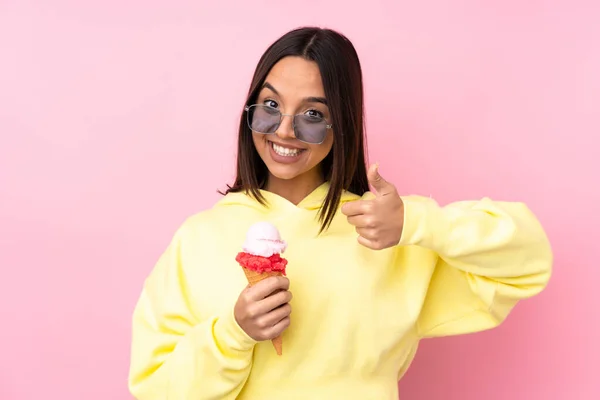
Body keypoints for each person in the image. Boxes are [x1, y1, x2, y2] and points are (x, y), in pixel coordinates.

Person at [127, 27, 553, 400]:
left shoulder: (385, 230)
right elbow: (155, 389)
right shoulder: (199, 237)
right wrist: (232, 334)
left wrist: (418, 224)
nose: (286, 131)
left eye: (314, 115)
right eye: (270, 106)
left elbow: (527, 261)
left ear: (342, 124)